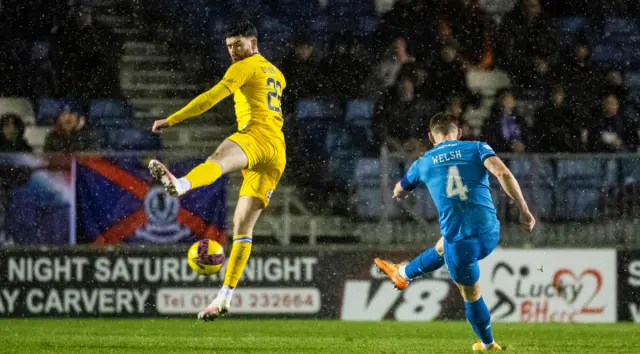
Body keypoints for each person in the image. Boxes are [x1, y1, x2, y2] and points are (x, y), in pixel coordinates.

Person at [147, 21, 286, 321]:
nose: (233, 52)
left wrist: (171, 120)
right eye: (229, 47)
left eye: (238, 44)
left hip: (257, 136)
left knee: (219, 158)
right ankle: (224, 297)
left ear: (254, 43)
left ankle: (181, 185)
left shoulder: (243, 67)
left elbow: (210, 98)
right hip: (277, 152)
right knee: (242, 230)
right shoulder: (276, 72)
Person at [374, 112, 535, 351]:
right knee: (442, 246)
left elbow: (401, 187)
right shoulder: (477, 148)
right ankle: (404, 273)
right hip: (490, 232)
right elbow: (503, 173)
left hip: (461, 245)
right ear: (459, 132)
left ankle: (488, 344)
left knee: (471, 294)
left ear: (431, 137)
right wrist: (524, 210)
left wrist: (399, 192)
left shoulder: (423, 162)